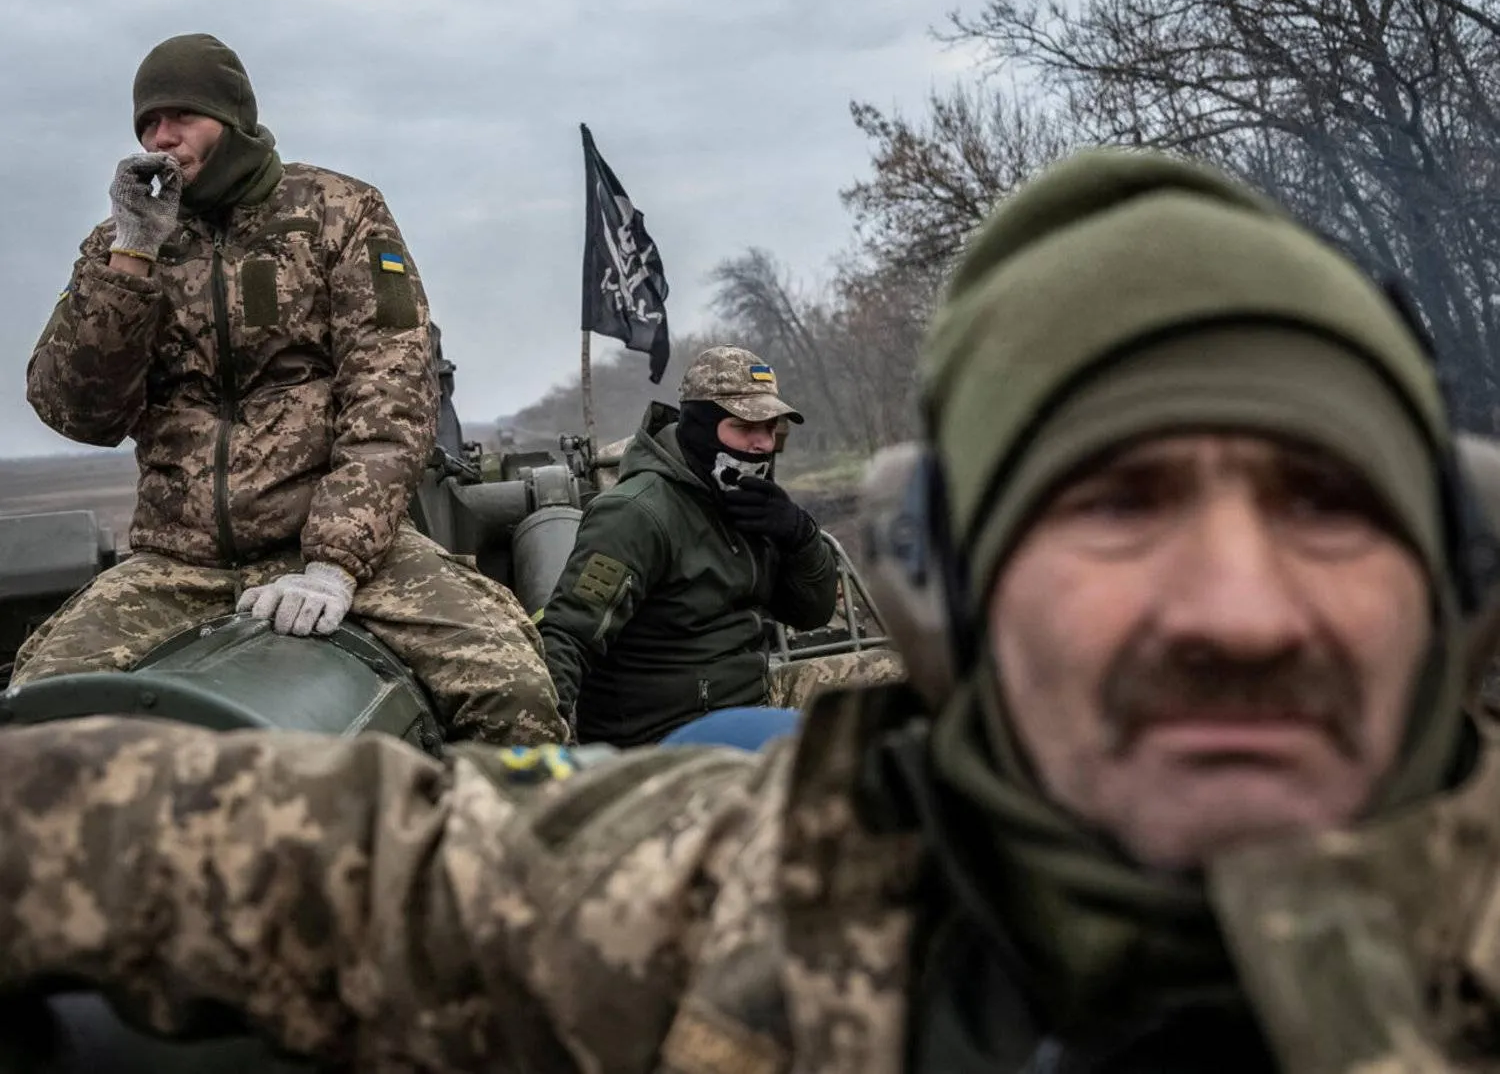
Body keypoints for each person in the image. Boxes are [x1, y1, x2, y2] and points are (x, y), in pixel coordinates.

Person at [0, 149, 1495, 1073]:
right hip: (679, 739)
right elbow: (397, 832)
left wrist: (777, 524)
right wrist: (562, 765)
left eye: (1328, 504)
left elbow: (803, 595)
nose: (1238, 610)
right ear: (958, 582)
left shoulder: (752, 507)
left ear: (1450, 570)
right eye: (1116, 506)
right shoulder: (743, 902)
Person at [13, 33, 564, 747]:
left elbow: (391, 395)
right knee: (35, 709)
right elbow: (73, 409)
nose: (161, 136)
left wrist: (334, 561)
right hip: (179, 560)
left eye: (181, 114)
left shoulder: (339, 211)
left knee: (512, 688)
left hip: (344, 550)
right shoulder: (122, 243)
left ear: (232, 118)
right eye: (147, 123)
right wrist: (131, 258)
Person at [539, 345, 839, 745]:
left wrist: (800, 536)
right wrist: (543, 756)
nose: (762, 444)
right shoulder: (635, 514)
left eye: (770, 428)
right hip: (668, 734)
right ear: (700, 425)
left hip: (748, 700)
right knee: (835, 752)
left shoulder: (748, 501)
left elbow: (812, 613)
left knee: (884, 685)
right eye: (745, 427)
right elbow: (568, 635)